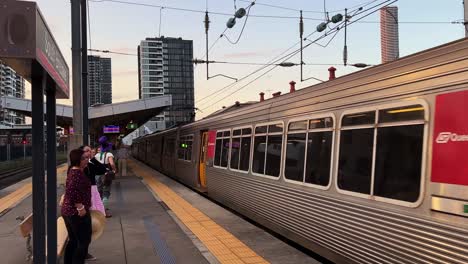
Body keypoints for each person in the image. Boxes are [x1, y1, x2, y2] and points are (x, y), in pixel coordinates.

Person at [61, 149, 92, 264]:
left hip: (69, 211)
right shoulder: (76, 173)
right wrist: (80, 207)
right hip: (76, 213)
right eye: (83, 158)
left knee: (74, 241)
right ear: (76, 159)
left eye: (87, 157)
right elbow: (72, 190)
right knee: (83, 241)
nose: (87, 160)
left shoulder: (74, 171)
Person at [79, 145, 108, 261]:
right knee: (86, 224)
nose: (89, 152)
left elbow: (102, 170)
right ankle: (83, 252)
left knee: (91, 221)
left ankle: (84, 251)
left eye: (90, 151)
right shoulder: (79, 167)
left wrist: (94, 158)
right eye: (86, 151)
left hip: (93, 191)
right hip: (87, 193)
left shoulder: (90, 164)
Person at [95, 136, 117, 218]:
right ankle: (104, 211)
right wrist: (114, 170)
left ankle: (99, 209)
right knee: (106, 192)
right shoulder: (109, 154)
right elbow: (112, 164)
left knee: (99, 191)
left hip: (97, 175)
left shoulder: (97, 155)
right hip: (106, 175)